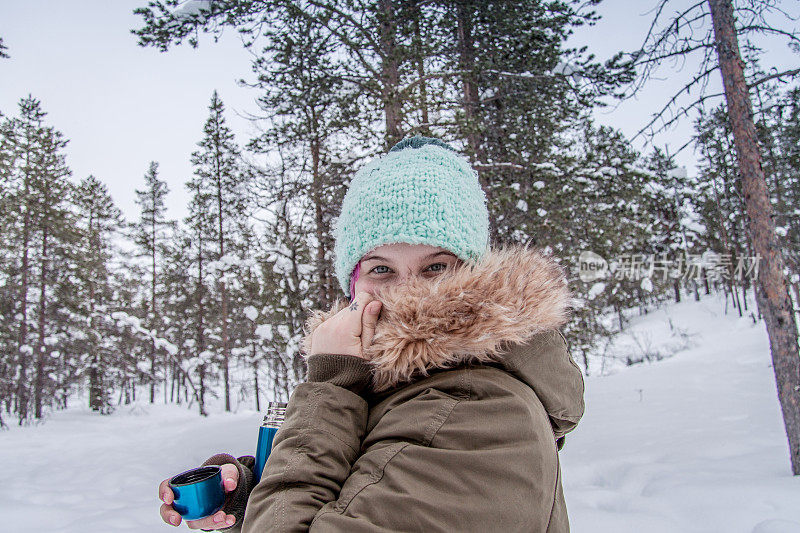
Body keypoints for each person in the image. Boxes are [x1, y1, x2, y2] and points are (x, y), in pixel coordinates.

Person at [158, 136, 585, 532]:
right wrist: (254, 498)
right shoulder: (392, 387)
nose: (406, 292)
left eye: (435, 268)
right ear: (353, 283)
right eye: (382, 269)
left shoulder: (480, 409)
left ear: (475, 275)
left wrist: (329, 389)